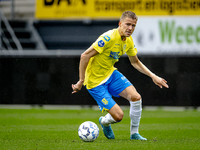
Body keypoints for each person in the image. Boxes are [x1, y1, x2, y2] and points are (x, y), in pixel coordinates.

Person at [72, 11, 169, 140]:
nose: (130, 28)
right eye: (128, 24)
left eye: (133, 25)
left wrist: (153, 76)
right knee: (118, 116)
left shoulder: (128, 41)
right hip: (95, 83)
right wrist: (81, 81)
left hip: (111, 74)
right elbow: (84, 56)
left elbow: (135, 62)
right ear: (120, 24)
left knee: (136, 97)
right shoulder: (108, 38)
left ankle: (134, 134)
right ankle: (104, 122)